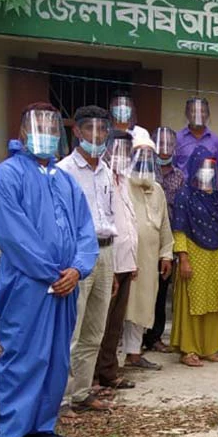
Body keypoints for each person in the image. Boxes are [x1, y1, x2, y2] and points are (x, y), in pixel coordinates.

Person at [0, 102, 98, 437]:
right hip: (28, 284)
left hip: (66, 283)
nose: (45, 134)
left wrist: (77, 269)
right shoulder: (7, 176)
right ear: (22, 132)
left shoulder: (64, 180)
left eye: (51, 127)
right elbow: (14, 235)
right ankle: (13, 433)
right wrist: (52, 273)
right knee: (24, 356)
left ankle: (41, 425)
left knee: (55, 357)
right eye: (38, 126)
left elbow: (85, 230)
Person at [56, 106, 118, 418]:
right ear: (77, 132)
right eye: (90, 129)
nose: (97, 135)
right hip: (78, 253)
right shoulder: (65, 170)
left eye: (103, 129)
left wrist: (116, 265)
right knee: (72, 329)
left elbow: (110, 216)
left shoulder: (106, 171)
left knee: (95, 330)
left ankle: (81, 392)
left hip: (106, 252)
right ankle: (61, 399)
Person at [170, 149, 218, 367]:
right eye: (202, 167)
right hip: (193, 254)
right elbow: (179, 229)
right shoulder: (185, 195)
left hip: (216, 255)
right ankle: (190, 349)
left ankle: (210, 348)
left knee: (215, 300)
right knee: (193, 302)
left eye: (211, 167)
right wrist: (183, 258)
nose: (207, 172)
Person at [122, 137, 174, 371]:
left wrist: (166, 254)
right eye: (139, 156)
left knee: (143, 304)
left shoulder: (158, 190)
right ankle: (108, 361)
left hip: (150, 259)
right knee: (120, 308)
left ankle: (134, 354)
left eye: (149, 157)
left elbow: (164, 225)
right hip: (125, 258)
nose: (145, 162)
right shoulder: (122, 184)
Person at [95, 130, 140, 390]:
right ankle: (90, 374)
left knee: (114, 323)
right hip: (106, 260)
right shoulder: (100, 177)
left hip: (125, 261)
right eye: (118, 150)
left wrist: (133, 261)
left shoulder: (125, 180)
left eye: (127, 151)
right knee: (98, 322)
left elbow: (129, 222)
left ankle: (108, 372)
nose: (122, 156)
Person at [143, 126, 185, 353]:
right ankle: (136, 336)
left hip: (167, 238)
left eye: (169, 145)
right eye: (160, 144)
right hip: (146, 235)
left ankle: (155, 336)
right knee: (142, 288)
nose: (164, 149)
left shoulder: (179, 176)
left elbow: (180, 210)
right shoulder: (146, 171)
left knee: (161, 289)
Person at [175, 97, 218, 175]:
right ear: (187, 114)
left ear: (208, 114)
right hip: (182, 186)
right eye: (194, 111)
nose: (198, 115)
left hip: (207, 186)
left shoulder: (215, 140)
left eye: (202, 111)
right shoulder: (177, 139)